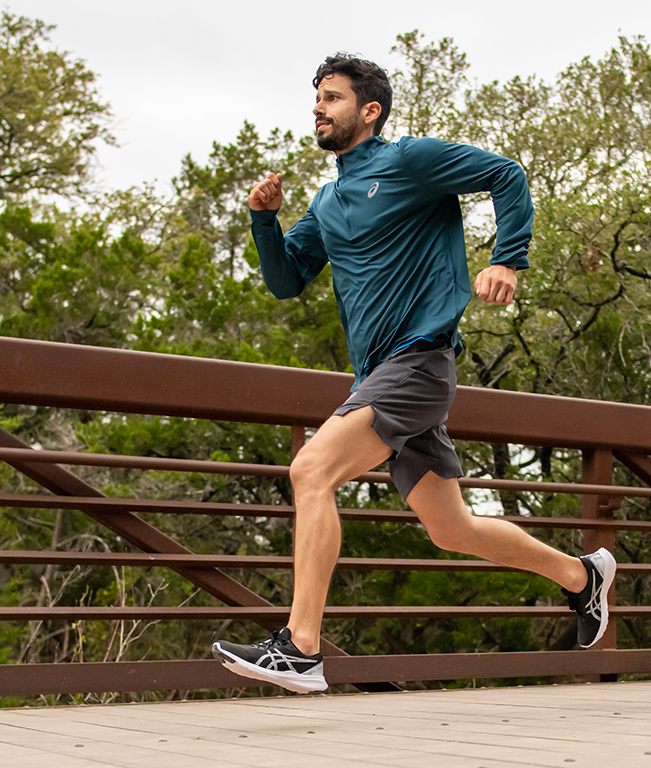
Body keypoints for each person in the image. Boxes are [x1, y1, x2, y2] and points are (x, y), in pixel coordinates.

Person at [212, 54, 616, 694]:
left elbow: (506, 175)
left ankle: (300, 648)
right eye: (316, 98)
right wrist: (265, 220)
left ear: (369, 111)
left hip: (419, 361)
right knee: (451, 528)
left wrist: (507, 259)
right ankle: (580, 576)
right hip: (379, 375)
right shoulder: (328, 200)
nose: (319, 107)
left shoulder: (409, 161)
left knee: (310, 470)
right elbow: (287, 281)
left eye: (334, 98)